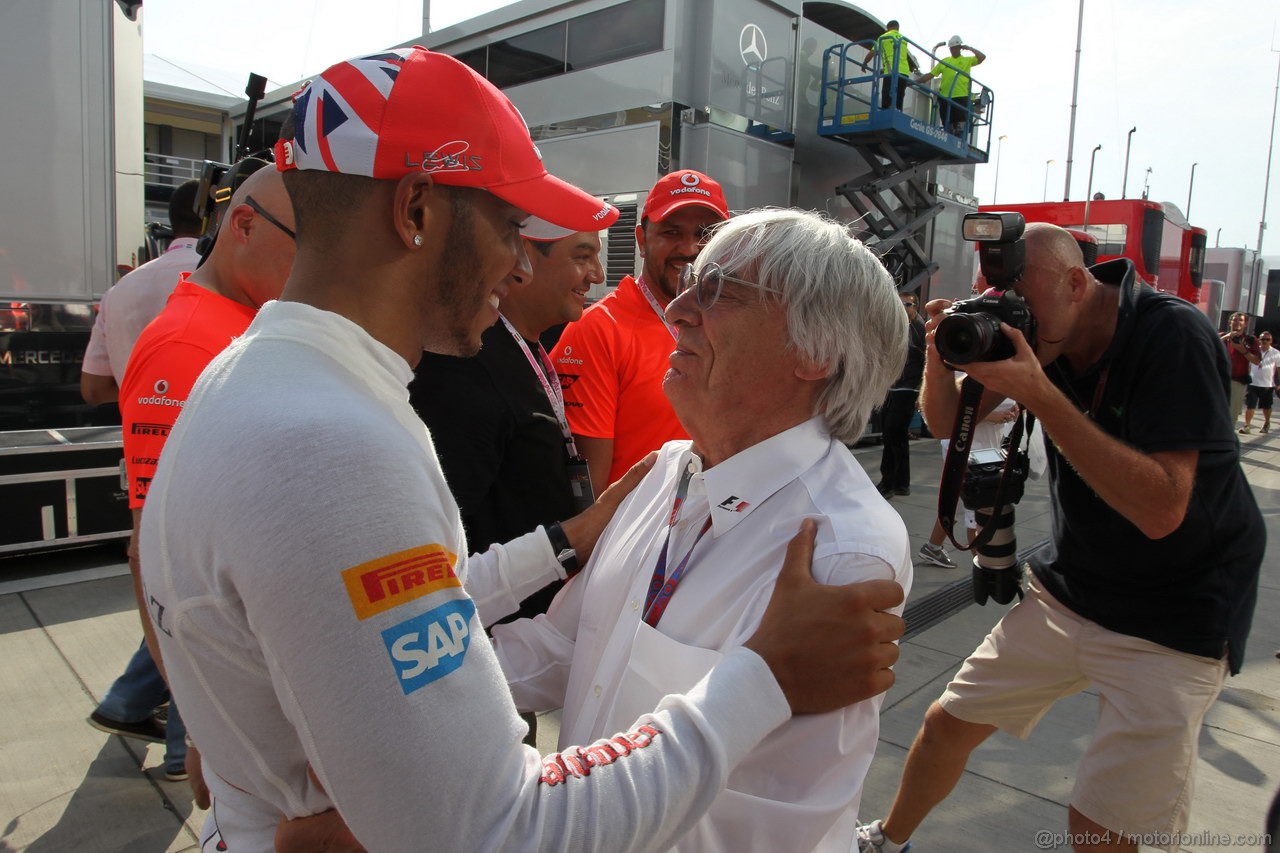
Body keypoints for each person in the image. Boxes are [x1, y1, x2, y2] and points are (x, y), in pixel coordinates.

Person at [139, 47, 906, 852]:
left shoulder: (247, 377)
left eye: (720, 293)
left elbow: (767, 810)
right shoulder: (334, 445)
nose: (518, 261)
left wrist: (411, 727)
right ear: (416, 211)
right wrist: (759, 680)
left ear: (815, 350)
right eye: (511, 227)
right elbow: (494, 825)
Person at [492, 207, 913, 852]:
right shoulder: (665, 471)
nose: (678, 310)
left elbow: (770, 827)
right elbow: (561, 648)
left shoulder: (843, 548)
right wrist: (403, 697)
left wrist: (533, 816)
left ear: (815, 351)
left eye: (720, 292)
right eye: (691, 282)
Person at [858, 224, 1263, 853]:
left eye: (1021, 302)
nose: (1010, 320)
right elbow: (944, 421)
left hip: (1179, 608)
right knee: (947, 725)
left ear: (1078, 284)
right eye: (998, 303)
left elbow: (1161, 508)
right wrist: (943, 359)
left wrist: (1041, 397)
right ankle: (886, 840)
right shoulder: (1045, 331)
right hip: (1077, 583)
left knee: (1099, 827)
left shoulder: (1171, 335)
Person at [115, 161, 296, 797]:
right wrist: (199, 727)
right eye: (305, 244)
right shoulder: (189, 344)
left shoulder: (245, 322)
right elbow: (155, 545)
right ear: (243, 224)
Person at [409, 215, 617, 745]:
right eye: (581, 255)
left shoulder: (520, 349)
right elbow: (437, 560)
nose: (597, 272)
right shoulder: (468, 368)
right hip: (471, 666)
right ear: (525, 260)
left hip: (513, 651)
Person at [83, 178, 204, 781]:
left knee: (166, 591)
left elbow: (92, 387)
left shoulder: (125, 289)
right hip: (201, 461)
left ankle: (128, 701)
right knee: (195, 598)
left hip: (143, 458)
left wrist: (141, 391)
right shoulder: (213, 287)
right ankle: (184, 745)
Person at [552, 169, 729, 489]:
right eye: (672, 232)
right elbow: (587, 496)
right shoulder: (599, 330)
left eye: (705, 233)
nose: (689, 248)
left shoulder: (733, 324)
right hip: (635, 534)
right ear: (642, 240)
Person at [81, 180, 203, 404]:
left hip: (139, 434)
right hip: (207, 433)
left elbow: (93, 390)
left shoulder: (118, 291)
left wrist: (148, 396)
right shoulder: (226, 278)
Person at [916, 396, 1018, 568]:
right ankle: (986, 570)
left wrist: (1014, 404)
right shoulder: (956, 371)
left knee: (955, 505)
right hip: (967, 449)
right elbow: (943, 408)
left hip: (985, 446)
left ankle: (933, 547)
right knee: (978, 513)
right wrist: (988, 415)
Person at [877, 292, 925, 499]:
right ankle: (901, 483)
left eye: (908, 304)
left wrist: (921, 392)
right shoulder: (898, 327)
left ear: (915, 307)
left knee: (892, 432)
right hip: (893, 386)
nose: (904, 308)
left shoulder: (919, 329)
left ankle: (888, 483)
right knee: (896, 436)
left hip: (909, 388)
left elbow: (928, 363)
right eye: (901, 304)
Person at [918, 36, 986, 135]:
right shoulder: (945, 61)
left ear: (960, 48)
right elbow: (931, 74)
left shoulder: (967, 60)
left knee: (960, 124)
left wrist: (970, 48)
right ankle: (948, 134)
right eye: (951, 48)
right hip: (945, 96)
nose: (953, 50)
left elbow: (982, 57)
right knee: (947, 123)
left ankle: (959, 137)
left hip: (961, 96)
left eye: (955, 48)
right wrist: (914, 81)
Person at [1221, 311, 1261, 426]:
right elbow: (1208, 348)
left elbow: (1257, 361)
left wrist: (1242, 350)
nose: (1237, 322)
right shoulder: (1222, 336)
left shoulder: (1250, 340)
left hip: (1237, 382)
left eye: (1240, 320)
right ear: (1230, 322)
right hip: (1219, 380)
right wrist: (1226, 337)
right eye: (1234, 320)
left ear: (1245, 324)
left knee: (1231, 415)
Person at [1240, 330, 1278, 434]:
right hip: (1253, 383)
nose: (1264, 341)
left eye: (1267, 339)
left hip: (1267, 385)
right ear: (1259, 340)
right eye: (1262, 339)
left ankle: (1266, 423)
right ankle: (1246, 425)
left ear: (1271, 341)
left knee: (1266, 407)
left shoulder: (1276, 353)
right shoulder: (1254, 351)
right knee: (1250, 405)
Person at [877, 20, 914, 110]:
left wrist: (865, 63)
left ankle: (886, 112)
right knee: (899, 95)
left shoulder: (884, 37)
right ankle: (898, 111)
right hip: (904, 72)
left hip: (892, 71)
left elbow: (873, 52)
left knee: (887, 94)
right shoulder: (904, 39)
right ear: (898, 28)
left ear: (887, 28)